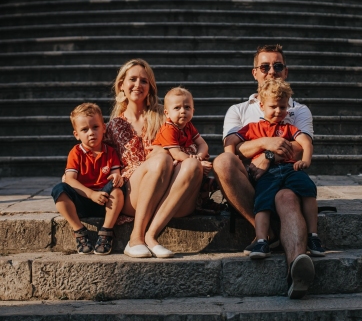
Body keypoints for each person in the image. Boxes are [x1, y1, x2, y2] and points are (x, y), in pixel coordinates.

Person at [213, 44, 316, 299]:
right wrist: (265, 143)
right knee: (222, 163)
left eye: (278, 66)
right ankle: (265, 233)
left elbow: (298, 149)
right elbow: (231, 150)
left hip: (285, 178)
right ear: (255, 73)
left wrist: (266, 155)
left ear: (286, 71)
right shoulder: (238, 110)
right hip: (251, 181)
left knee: (288, 197)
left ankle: (297, 269)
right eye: (265, 66)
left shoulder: (298, 110)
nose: (272, 71)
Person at [105, 59, 204, 259]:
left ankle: (151, 236)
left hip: (173, 192)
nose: (138, 85)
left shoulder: (167, 113)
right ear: (121, 85)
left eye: (144, 81)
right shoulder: (115, 125)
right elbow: (101, 159)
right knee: (161, 159)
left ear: (150, 86)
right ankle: (135, 238)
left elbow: (192, 145)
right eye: (132, 79)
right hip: (135, 194)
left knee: (191, 163)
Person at [225, 78, 325, 262]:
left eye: (283, 107)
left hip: (289, 167)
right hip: (266, 173)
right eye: (273, 107)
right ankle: (262, 239)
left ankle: (313, 236)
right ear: (261, 105)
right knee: (263, 201)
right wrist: (234, 160)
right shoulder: (253, 128)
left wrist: (305, 161)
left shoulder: (288, 127)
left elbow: (305, 142)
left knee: (308, 190)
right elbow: (231, 142)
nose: (279, 111)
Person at [51, 103, 125, 255]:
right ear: (76, 134)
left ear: (104, 128)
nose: (91, 133)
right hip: (82, 200)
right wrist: (91, 194)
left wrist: (117, 177)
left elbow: (116, 173)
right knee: (59, 190)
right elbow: (70, 179)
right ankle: (79, 230)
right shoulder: (76, 153)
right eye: (84, 129)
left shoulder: (110, 151)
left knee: (118, 190)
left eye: (95, 127)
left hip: (105, 201)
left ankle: (106, 231)